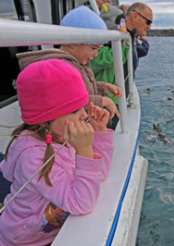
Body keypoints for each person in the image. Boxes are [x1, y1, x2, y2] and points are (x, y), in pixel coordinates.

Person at [0, 59, 114, 246]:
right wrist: (84, 150)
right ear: (48, 117)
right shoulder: (33, 158)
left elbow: (98, 176)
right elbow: (82, 203)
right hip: (23, 240)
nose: (85, 115)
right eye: (76, 110)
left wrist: (99, 133)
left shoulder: (60, 137)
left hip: (45, 230)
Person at [16, 6, 121, 120]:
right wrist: (103, 101)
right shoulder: (61, 69)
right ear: (73, 42)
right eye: (93, 48)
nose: (95, 54)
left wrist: (102, 87)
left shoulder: (77, 61)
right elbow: (70, 103)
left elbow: (82, 89)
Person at [91, 3, 130, 129]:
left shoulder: (110, 50)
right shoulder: (97, 52)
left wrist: (124, 44)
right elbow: (110, 58)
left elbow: (121, 58)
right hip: (99, 102)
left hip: (111, 99)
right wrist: (120, 43)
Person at [122, 2, 153, 97]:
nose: (149, 27)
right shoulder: (118, 38)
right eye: (148, 22)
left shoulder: (131, 37)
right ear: (135, 16)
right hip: (114, 100)